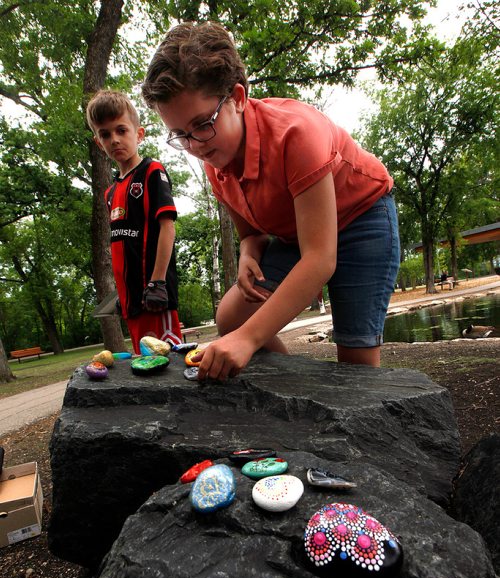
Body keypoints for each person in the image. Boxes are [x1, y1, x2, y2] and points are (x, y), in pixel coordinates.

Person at [142, 22, 400, 381]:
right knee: (232, 316)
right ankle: (297, 388)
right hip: (299, 237)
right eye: (181, 135)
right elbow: (252, 235)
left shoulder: (297, 134)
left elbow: (320, 260)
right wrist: (248, 253)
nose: (196, 145)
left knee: (356, 364)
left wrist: (247, 340)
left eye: (203, 124)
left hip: (363, 220)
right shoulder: (215, 161)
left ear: (237, 97)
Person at [86, 90, 182, 354]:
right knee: (144, 363)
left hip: (155, 296)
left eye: (121, 130)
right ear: (98, 142)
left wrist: (158, 282)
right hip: (131, 303)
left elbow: (167, 227)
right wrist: (122, 294)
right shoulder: (111, 193)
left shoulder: (152, 171)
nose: (114, 139)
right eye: (105, 134)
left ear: (138, 134)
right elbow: (120, 244)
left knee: (168, 361)